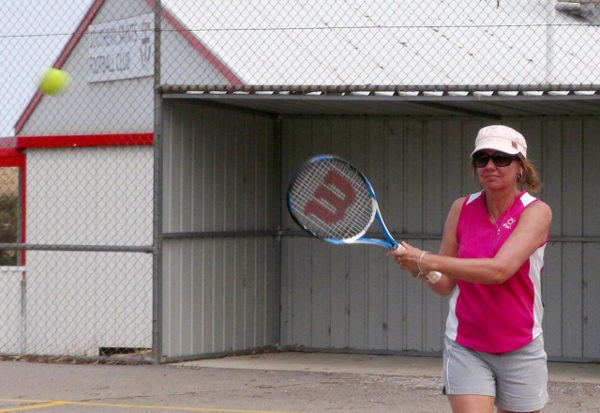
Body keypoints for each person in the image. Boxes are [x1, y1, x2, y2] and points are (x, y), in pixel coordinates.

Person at [389, 125, 552, 413]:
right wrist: (418, 268)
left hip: (521, 344)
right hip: (466, 345)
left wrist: (426, 259)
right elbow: (443, 285)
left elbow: (499, 271)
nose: (490, 165)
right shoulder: (461, 208)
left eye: (501, 158)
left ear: (520, 168)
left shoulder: (536, 211)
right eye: (482, 159)